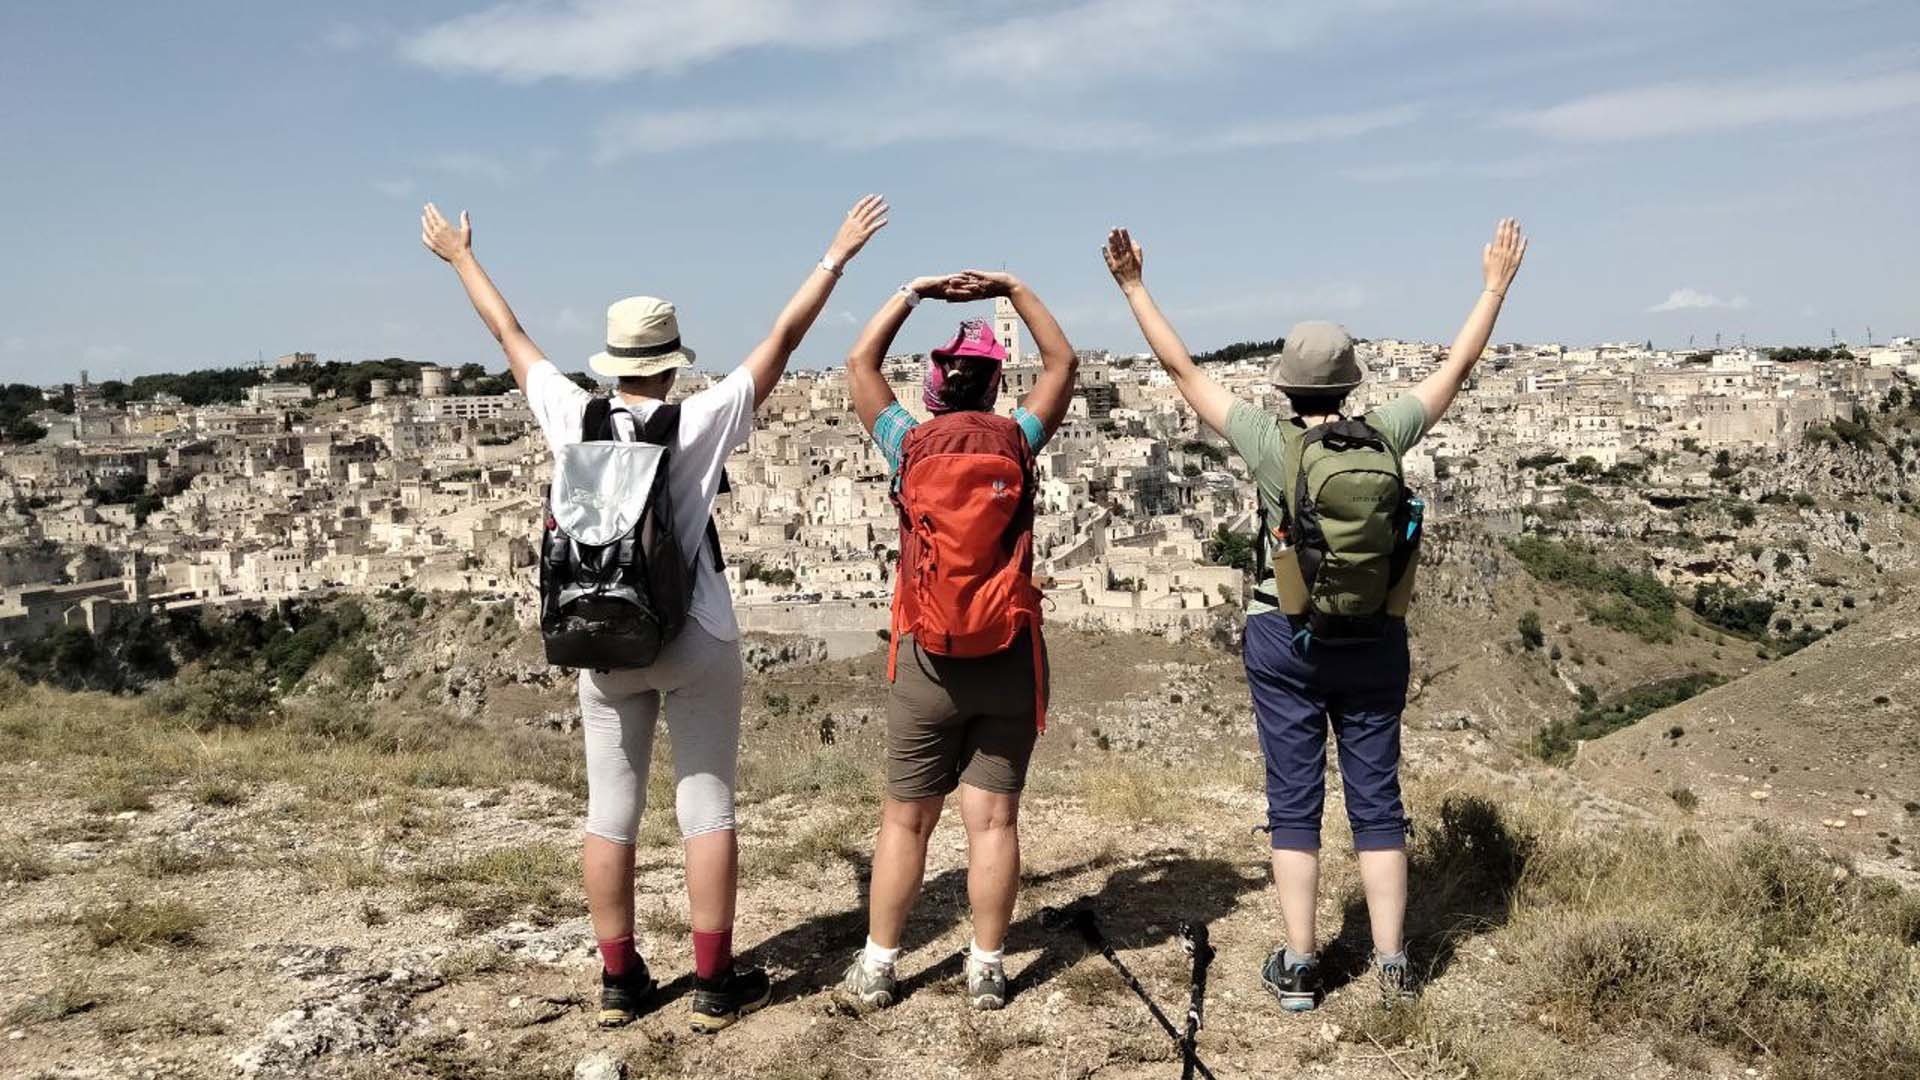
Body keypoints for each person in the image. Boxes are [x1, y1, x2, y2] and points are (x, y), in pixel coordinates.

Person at [420, 194, 891, 1032]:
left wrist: (460, 257)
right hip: (697, 630)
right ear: (672, 362)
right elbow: (782, 341)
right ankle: (714, 982)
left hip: (600, 635)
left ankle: (618, 981)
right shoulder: (700, 420)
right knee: (706, 808)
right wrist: (836, 255)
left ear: (609, 363)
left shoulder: (570, 413)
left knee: (611, 813)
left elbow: (509, 334)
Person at [1101, 219, 1528, 1011]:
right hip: (1375, 636)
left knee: (1293, 801)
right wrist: (1495, 286)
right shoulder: (1388, 434)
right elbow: (1458, 367)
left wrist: (1132, 285)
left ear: (1286, 386)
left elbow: (1179, 366)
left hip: (1282, 631)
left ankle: (1301, 965)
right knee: (1377, 799)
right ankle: (1394, 964)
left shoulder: (1268, 441)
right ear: (1352, 385)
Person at [837, 270, 1078, 1012]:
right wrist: (1012, 287)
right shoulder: (1016, 439)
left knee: (908, 817)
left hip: (925, 657)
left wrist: (912, 292)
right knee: (994, 820)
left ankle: (880, 967)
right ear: (995, 386)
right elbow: (1064, 363)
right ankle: (987, 966)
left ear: (935, 389)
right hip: (1007, 654)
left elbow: (860, 366)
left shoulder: (908, 445)